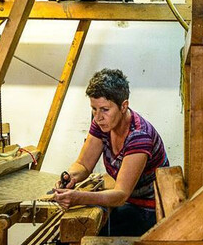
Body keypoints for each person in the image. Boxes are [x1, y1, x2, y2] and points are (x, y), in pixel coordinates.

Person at [52, 68, 169, 236]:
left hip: (151, 209)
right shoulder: (102, 124)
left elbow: (120, 194)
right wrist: (71, 177)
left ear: (124, 106)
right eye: (94, 108)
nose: (98, 117)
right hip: (128, 204)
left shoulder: (139, 136)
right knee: (66, 237)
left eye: (105, 109)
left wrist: (78, 197)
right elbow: (83, 164)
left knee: (86, 236)